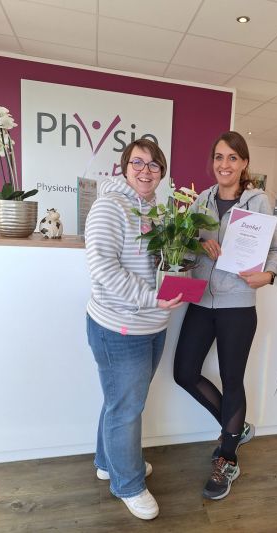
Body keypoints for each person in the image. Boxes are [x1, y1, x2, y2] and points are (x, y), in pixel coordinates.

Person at [174, 131, 277, 500]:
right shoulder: (201, 200)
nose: (225, 164)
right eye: (219, 157)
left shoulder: (258, 201)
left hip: (238, 304)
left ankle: (228, 455)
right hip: (200, 300)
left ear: (244, 163)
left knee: (232, 379)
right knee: (184, 372)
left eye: (233, 158)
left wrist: (268, 275)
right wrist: (196, 242)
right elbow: (185, 246)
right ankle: (236, 428)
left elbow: (275, 248)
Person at [85, 139, 182, 520]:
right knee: (127, 408)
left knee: (119, 402)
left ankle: (107, 462)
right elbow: (103, 269)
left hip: (153, 324)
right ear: (124, 167)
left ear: (162, 172)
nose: (146, 170)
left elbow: (160, 262)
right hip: (120, 327)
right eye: (138, 162)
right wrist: (151, 298)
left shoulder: (158, 210)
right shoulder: (109, 206)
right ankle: (128, 483)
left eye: (154, 164)